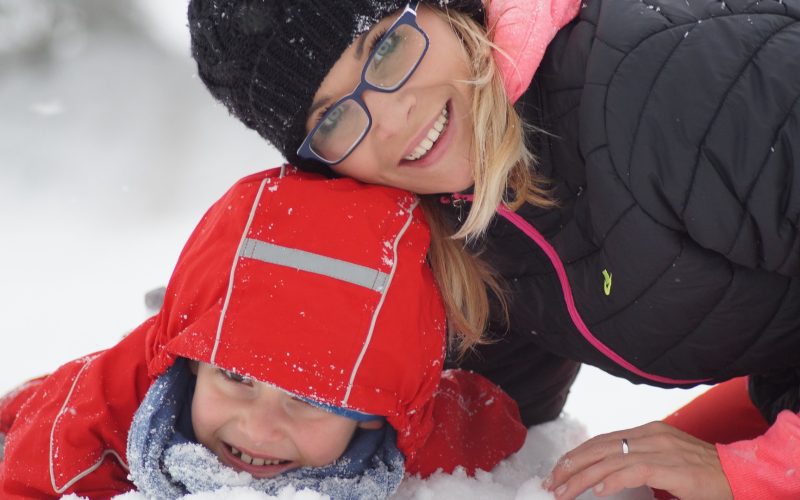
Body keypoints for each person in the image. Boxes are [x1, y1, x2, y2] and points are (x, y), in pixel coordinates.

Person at [186, 0, 800, 496]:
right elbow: (498, 406)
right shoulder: (464, 210)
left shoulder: (667, 88)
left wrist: (761, 471)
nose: (391, 119)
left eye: (386, 46)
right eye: (333, 120)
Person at [0, 168, 526, 499]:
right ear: (193, 364)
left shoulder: (409, 431)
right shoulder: (85, 422)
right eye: (235, 376)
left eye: (308, 398)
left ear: (374, 416)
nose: (259, 428)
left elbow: (489, 422)